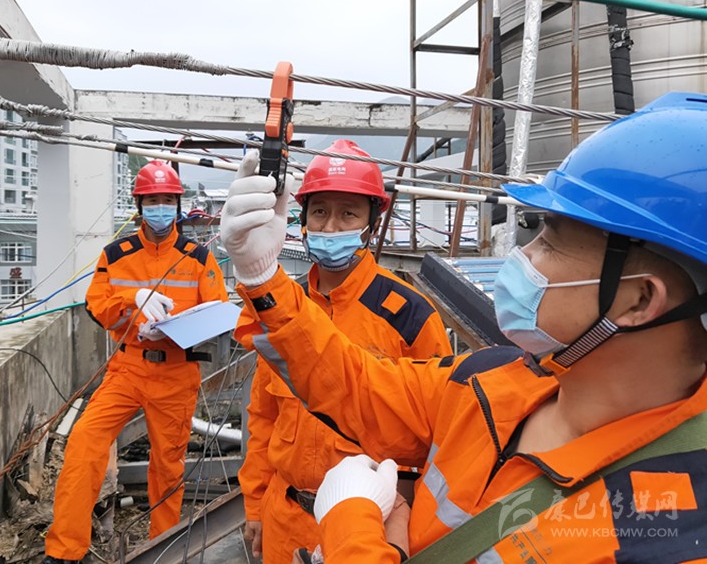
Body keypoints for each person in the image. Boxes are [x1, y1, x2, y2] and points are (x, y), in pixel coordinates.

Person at [220, 93, 707, 563]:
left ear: (640, 299)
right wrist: (262, 278)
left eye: (550, 242)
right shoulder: (487, 383)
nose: (522, 257)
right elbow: (351, 384)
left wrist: (352, 525)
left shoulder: (674, 532)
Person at [236, 140, 451, 563]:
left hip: (367, 526)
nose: (331, 227)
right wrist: (256, 504)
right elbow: (264, 414)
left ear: (372, 222)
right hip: (284, 516)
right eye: (320, 212)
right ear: (302, 220)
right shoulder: (283, 309)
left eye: (348, 213)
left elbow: (438, 435)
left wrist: (409, 528)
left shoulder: (408, 314)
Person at [44, 160, 229, 563]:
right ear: (139, 205)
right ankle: (64, 550)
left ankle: (161, 548)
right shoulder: (117, 254)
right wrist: (134, 302)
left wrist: (173, 331)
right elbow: (97, 306)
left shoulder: (198, 258)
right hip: (127, 368)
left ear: (177, 205)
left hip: (176, 372)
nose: (160, 208)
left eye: (167, 201)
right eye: (152, 201)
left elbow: (217, 313)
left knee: (168, 466)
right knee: (85, 442)